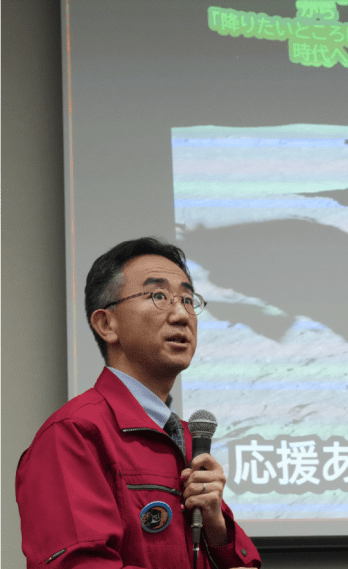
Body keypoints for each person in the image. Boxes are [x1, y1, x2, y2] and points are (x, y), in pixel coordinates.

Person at [16, 237, 262, 568]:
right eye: (158, 296)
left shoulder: (187, 439)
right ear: (107, 324)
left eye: (188, 299)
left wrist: (216, 527)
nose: (181, 314)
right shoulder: (74, 434)